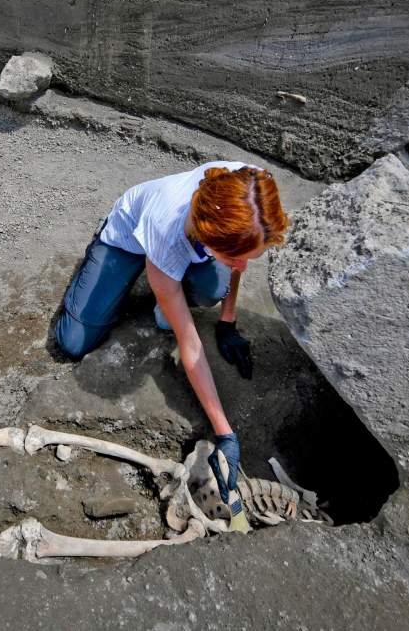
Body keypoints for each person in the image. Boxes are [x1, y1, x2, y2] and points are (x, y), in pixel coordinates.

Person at [54, 161, 290, 506]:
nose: (242, 266)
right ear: (209, 236)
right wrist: (225, 431)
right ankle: (133, 278)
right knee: (72, 342)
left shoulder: (250, 187)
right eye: (233, 256)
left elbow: (243, 250)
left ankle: (172, 290)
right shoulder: (165, 232)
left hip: (190, 246)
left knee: (213, 289)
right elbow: (190, 344)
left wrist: (228, 317)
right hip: (128, 238)